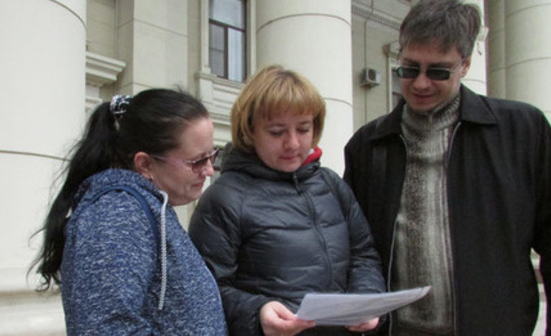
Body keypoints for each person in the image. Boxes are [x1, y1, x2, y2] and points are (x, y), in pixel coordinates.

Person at [343, 0, 551, 335]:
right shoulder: (368, 146)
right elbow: (354, 249)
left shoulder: (522, 131)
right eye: (409, 68)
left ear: (465, 64)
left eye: (438, 71)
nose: (420, 83)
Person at [189, 65, 385, 336]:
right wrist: (257, 312)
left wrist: (366, 300)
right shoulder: (224, 198)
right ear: (249, 131)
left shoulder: (331, 185)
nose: (292, 143)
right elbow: (203, 288)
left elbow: (363, 255)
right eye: (277, 132)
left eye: (303, 129)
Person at [30, 89, 228, 335]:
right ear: (145, 164)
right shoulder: (117, 213)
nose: (209, 170)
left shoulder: (143, 208)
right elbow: (105, 327)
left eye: (213, 156)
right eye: (198, 161)